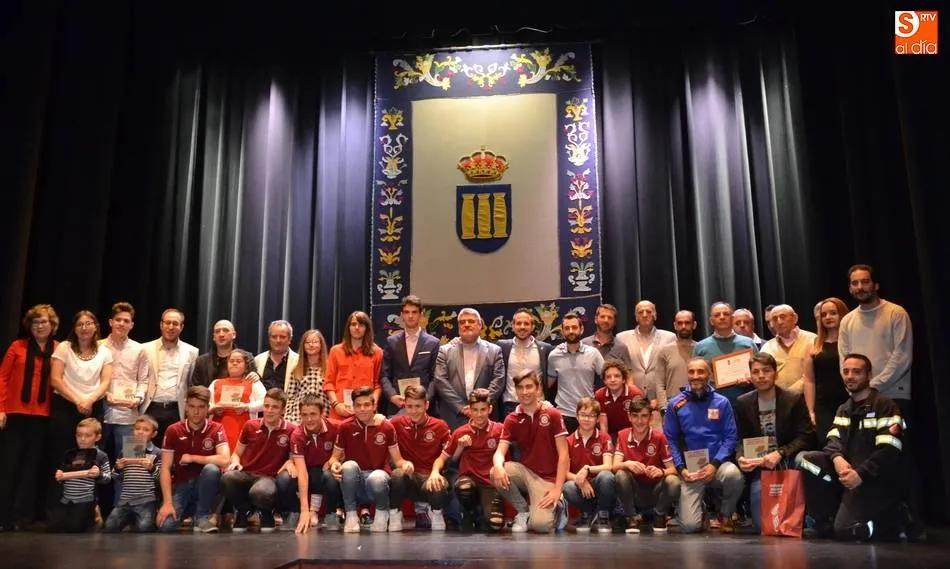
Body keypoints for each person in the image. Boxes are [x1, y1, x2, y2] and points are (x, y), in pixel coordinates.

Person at [838, 264, 919, 536]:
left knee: (897, 460)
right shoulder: (848, 321)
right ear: (850, 287)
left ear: (875, 285)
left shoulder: (896, 313)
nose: (860, 288)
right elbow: (845, 359)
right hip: (861, 400)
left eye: (864, 282)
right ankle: (877, 518)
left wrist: (872, 385)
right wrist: (858, 387)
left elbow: (902, 356)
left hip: (893, 395)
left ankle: (909, 520)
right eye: (854, 283)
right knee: (866, 460)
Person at [799, 354, 905, 541]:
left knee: (845, 531)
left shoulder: (885, 406)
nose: (850, 376)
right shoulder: (844, 408)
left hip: (873, 480)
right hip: (848, 476)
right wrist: (837, 459)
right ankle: (823, 521)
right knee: (807, 460)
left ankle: (893, 518)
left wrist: (861, 474)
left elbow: (889, 450)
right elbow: (832, 440)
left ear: (869, 375)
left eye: (856, 372)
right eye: (846, 372)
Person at [734, 353, 814, 533]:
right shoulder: (743, 403)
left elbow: (807, 436)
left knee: (805, 459)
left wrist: (781, 453)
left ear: (775, 373)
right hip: (761, 467)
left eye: (766, 370)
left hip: (789, 461)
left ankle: (811, 515)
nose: (761, 376)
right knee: (764, 525)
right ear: (750, 376)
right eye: (755, 372)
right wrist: (740, 457)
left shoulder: (793, 399)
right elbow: (740, 439)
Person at [663, 357, 744, 533]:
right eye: (691, 372)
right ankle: (704, 512)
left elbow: (731, 437)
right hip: (691, 469)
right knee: (690, 527)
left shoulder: (722, 402)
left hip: (717, 464)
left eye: (700, 371)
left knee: (734, 476)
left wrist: (715, 465)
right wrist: (680, 468)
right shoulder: (675, 404)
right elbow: (671, 440)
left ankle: (725, 514)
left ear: (709, 374)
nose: (696, 376)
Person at [0, 304, 59, 531]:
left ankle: (21, 517)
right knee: (9, 467)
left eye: (44, 322)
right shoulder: (18, 346)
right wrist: (1, 409)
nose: (39, 326)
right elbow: (2, 378)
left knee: (31, 469)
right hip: (15, 414)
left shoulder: (59, 349)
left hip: (43, 417)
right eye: (35, 322)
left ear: (52, 325)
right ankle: (3, 517)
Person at [491, 370, 570, 534]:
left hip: (548, 478)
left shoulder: (552, 414)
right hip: (526, 472)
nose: (525, 392)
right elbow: (499, 452)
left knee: (541, 526)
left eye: (529, 387)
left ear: (538, 389)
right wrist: (498, 466)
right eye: (520, 388)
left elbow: (564, 454)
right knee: (495, 472)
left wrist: (557, 488)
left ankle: (560, 504)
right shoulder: (512, 419)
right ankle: (523, 511)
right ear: (516, 390)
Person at [327, 386, 413, 532]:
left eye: (367, 404)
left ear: (374, 406)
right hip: (355, 482)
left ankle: (382, 512)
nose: (362, 409)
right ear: (353, 407)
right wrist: (334, 465)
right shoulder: (345, 427)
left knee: (377, 477)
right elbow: (333, 458)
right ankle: (351, 515)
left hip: (378, 481)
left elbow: (398, 460)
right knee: (348, 466)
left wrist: (406, 464)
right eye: (358, 405)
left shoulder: (386, 427)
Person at [49, 311, 113, 494]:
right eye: (80, 324)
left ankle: (87, 505)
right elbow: (55, 379)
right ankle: (58, 505)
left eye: (88, 323)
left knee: (91, 459)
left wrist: (89, 400)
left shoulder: (105, 351)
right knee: (62, 455)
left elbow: (106, 382)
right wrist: (78, 400)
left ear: (96, 327)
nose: (84, 328)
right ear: (74, 328)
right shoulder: (64, 347)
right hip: (66, 406)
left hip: (93, 407)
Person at [99, 302, 152, 517]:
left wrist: (138, 398)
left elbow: (144, 379)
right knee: (94, 461)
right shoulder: (98, 346)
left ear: (132, 324)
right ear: (110, 322)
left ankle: (126, 511)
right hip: (101, 412)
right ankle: (92, 509)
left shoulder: (140, 349)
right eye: (118, 320)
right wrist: (104, 394)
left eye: (126, 321)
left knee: (132, 464)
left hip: (130, 415)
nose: (121, 323)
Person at [222, 388, 298, 532]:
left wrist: (290, 461)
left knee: (260, 492)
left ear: (283, 410)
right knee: (227, 477)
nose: (269, 410)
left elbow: (294, 458)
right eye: (267, 405)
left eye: (275, 407)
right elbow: (236, 453)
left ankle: (266, 512)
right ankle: (243, 511)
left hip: (269, 478)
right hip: (247, 474)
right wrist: (235, 462)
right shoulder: (250, 426)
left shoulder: (291, 430)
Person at [430, 388, 505, 532]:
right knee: (463, 487)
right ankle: (470, 512)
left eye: (483, 409)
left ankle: (482, 514)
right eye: (475, 410)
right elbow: (442, 459)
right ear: (468, 410)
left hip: (491, 483)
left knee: (495, 524)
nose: (479, 414)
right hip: (468, 481)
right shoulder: (460, 432)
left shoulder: (499, 429)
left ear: (490, 409)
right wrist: (434, 472)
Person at [157, 386, 230, 533]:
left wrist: (193, 458)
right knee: (165, 527)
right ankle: (191, 512)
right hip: (182, 485)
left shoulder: (216, 428)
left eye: (201, 407)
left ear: (208, 408)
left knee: (211, 469)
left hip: (207, 486)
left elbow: (225, 460)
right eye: (192, 406)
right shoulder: (173, 430)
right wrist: (167, 503)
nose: (196, 411)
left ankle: (202, 516)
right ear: (186, 406)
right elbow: (164, 468)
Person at [389, 384, 452, 531]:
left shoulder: (440, 426)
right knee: (397, 474)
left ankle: (436, 513)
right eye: (409, 406)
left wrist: (436, 473)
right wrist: (378, 417)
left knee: (438, 483)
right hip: (410, 478)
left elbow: (448, 456)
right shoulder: (397, 423)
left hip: (430, 479)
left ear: (427, 405)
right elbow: (379, 425)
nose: (414, 411)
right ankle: (395, 514)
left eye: (418, 406)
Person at [614, 396, 680, 533]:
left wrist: (661, 472)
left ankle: (659, 513)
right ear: (629, 417)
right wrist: (627, 464)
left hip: (655, 489)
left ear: (651, 418)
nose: (639, 421)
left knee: (673, 481)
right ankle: (631, 517)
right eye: (635, 416)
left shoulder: (659, 437)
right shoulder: (622, 435)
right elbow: (614, 466)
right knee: (620, 474)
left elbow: (674, 469)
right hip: (634, 491)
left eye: (644, 416)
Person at [433, 308, 505, 430]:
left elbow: (498, 381)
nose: (466, 325)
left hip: (485, 416)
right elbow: (440, 381)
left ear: (480, 324)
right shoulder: (444, 351)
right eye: (462, 322)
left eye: (471, 321)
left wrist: (480, 406)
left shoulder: (494, 350)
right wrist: (461, 407)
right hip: (453, 416)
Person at [140, 308, 199, 445]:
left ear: (181, 327)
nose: (171, 327)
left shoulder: (192, 352)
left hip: (176, 409)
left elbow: (191, 384)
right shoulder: (144, 348)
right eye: (167, 323)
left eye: (175, 323)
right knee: (137, 450)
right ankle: (134, 467)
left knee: (174, 452)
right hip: (149, 407)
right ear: (161, 325)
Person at [380, 295, 441, 417]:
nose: (410, 316)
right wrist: (392, 396)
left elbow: (436, 377)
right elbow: (384, 375)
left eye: (414, 312)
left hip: (425, 408)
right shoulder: (391, 342)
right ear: (401, 315)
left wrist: (424, 400)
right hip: (398, 405)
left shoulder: (433, 343)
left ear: (421, 314)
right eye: (407, 312)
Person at [48, 417, 112, 533]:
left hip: (85, 499)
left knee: (75, 527)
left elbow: (108, 477)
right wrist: (59, 476)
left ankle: (94, 514)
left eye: (87, 436)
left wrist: (99, 474)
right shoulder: (70, 454)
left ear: (97, 437)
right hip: (67, 498)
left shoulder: (100, 455)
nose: (82, 439)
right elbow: (61, 475)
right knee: (55, 526)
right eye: (79, 435)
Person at [290, 394, 342, 533]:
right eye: (304, 415)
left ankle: (332, 513)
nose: (309, 419)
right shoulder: (297, 435)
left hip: (332, 473)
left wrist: (379, 416)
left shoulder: (337, 427)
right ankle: (301, 512)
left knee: (330, 474)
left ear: (322, 413)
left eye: (313, 414)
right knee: (292, 477)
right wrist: (304, 510)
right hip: (310, 474)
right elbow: (302, 473)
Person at [563, 397, 615, 533]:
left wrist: (587, 469)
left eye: (591, 416)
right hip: (581, 487)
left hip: (599, 485)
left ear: (598, 419)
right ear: (577, 416)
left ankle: (603, 516)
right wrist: (580, 480)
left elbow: (608, 466)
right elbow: (565, 472)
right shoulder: (568, 441)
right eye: (583, 415)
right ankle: (587, 514)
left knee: (606, 476)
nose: (587, 419)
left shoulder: (604, 438)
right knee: (567, 487)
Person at [103, 414, 162, 532]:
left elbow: (161, 478)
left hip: (146, 500)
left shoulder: (157, 452)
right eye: (137, 429)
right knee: (110, 526)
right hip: (126, 500)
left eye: (146, 430)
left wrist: (151, 468)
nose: (140, 432)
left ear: (154, 434)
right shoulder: (125, 450)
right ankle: (130, 519)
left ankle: (143, 519)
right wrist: (118, 467)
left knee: (145, 528)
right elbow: (114, 476)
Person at [547, 312, 604, 433]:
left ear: (581, 329)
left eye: (574, 327)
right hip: (563, 414)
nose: (571, 331)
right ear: (562, 331)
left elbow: (607, 380)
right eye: (567, 328)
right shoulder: (554, 355)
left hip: (588, 413)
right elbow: (547, 384)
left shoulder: (593, 353)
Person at [692, 302, 757, 404]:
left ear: (732, 318)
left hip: (745, 404)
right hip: (712, 404)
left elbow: (758, 373)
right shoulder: (701, 347)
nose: (722, 317)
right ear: (711, 321)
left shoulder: (748, 343)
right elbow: (695, 377)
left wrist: (750, 380)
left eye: (726, 314)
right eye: (717, 315)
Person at [324, 311, 383, 421]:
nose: (357, 328)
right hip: (340, 411)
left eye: (361, 325)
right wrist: (336, 405)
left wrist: (372, 404)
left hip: (366, 411)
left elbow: (378, 384)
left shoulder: (377, 352)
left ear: (367, 328)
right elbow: (329, 383)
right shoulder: (335, 351)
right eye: (353, 324)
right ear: (348, 327)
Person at [498, 307, 554, 417]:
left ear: (533, 327)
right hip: (510, 406)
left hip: (538, 406)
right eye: (518, 323)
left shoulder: (545, 349)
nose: (522, 327)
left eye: (526, 323)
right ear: (513, 326)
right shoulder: (502, 347)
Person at [615, 300, 676, 401]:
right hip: (631, 400)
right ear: (636, 317)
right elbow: (618, 368)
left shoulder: (669, 338)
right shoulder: (621, 338)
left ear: (655, 315)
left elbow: (671, 372)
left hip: (659, 401)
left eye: (648, 311)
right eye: (640, 312)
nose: (644, 315)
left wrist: (661, 399)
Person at [209, 349, 266, 450]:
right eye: (231, 361)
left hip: (244, 431)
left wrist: (247, 407)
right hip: (218, 431)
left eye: (238, 361)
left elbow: (265, 402)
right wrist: (214, 408)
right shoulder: (216, 383)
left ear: (246, 365)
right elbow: (205, 403)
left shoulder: (254, 383)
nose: (234, 363)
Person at [810, 298, 850, 441]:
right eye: (824, 314)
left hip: (850, 401)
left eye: (833, 313)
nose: (828, 317)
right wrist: (810, 410)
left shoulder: (852, 340)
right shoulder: (815, 344)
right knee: (828, 446)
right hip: (824, 407)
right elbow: (809, 380)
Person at [760, 305, 817, 403]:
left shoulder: (813, 339)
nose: (779, 322)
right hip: (779, 403)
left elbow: (817, 370)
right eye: (774, 319)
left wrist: (790, 393)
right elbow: (764, 375)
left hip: (808, 399)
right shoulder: (767, 347)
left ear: (795, 318)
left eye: (783, 317)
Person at [285, 329, 330, 425]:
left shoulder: (329, 368)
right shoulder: (297, 368)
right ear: (303, 345)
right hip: (298, 417)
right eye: (307, 342)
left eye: (315, 342)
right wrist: (288, 418)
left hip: (323, 415)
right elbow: (290, 397)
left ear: (321, 345)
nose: (311, 345)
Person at [655, 310, 698, 410]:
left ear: (694, 325)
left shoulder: (701, 348)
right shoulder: (664, 351)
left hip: (697, 404)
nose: (683, 326)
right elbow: (660, 383)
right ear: (675, 325)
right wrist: (663, 407)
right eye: (680, 323)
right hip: (673, 406)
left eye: (687, 323)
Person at [593, 359, 644, 437]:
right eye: (608, 377)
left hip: (632, 434)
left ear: (623, 379)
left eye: (617, 376)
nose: (612, 380)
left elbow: (639, 421)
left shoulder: (635, 394)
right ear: (604, 381)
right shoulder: (599, 395)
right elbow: (603, 425)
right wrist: (606, 443)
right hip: (611, 434)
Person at [191, 320, 242, 388]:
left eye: (225, 330)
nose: (221, 334)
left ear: (234, 335)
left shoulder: (245, 359)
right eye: (217, 331)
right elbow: (195, 389)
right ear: (214, 337)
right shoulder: (201, 361)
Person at [580, 303, 632, 367]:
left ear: (615, 322)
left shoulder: (621, 348)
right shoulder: (584, 344)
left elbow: (629, 375)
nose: (606, 320)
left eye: (610, 318)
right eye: (602, 317)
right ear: (596, 319)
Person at [254, 320, 298, 392]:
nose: (278, 340)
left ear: (290, 339)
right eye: (274, 337)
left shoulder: (298, 361)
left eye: (282, 337)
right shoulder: (257, 360)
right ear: (269, 338)